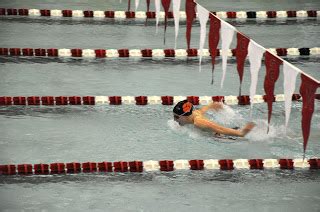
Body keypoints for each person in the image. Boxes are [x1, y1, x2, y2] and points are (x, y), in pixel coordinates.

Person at [173, 100, 255, 137]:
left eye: (176, 117)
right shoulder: (195, 113)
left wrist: (241, 133)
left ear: (185, 116)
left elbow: (220, 129)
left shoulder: (199, 122)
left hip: (225, 137)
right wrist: (213, 105)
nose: (174, 120)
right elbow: (205, 108)